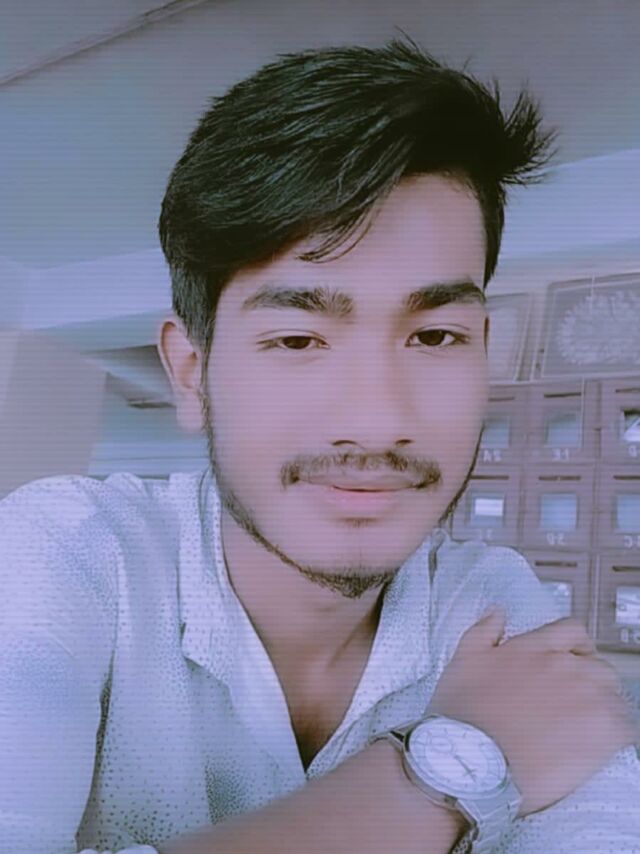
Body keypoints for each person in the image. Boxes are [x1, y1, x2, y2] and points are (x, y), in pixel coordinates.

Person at [1, 35, 639, 854]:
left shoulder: (491, 602)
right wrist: (443, 773)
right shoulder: (69, 552)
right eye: (298, 340)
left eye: (435, 336)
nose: (376, 423)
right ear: (192, 374)